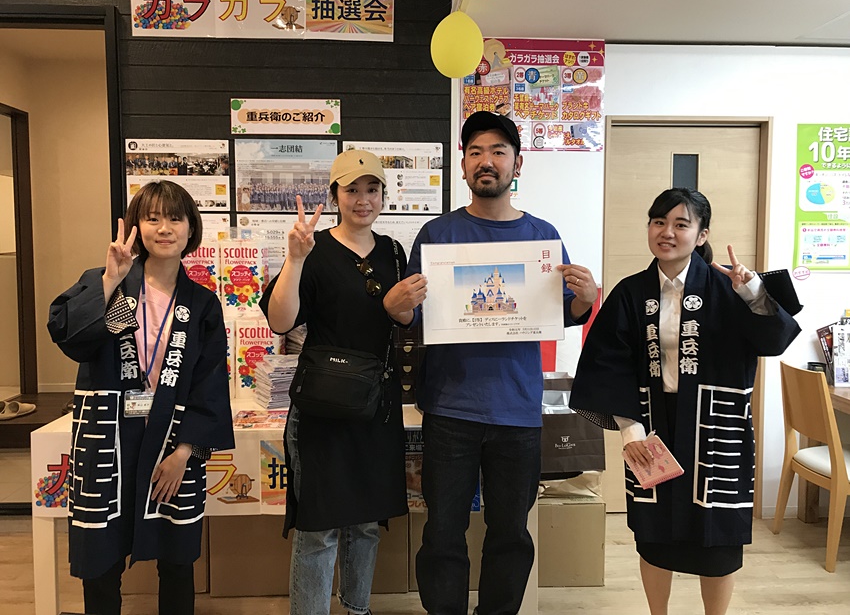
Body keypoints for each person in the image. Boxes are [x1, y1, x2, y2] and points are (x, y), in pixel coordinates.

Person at [398, 111, 597, 615]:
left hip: (517, 410)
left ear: (517, 164)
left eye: (498, 152)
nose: (486, 161)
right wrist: (398, 307)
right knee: (443, 531)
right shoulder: (437, 235)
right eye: (475, 152)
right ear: (464, 166)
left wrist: (586, 298)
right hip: (450, 408)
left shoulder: (542, 235)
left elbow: (564, 312)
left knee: (510, 533)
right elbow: (412, 316)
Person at [569, 188, 801, 615]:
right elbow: (608, 363)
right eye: (659, 222)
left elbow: (776, 340)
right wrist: (630, 430)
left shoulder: (729, 287)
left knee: (720, 537)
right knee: (654, 536)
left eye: (681, 224)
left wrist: (752, 292)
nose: (667, 233)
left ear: (701, 234)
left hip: (717, 424)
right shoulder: (630, 292)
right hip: (652, 424)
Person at [47, 180, 234, 615]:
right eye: (152, 218)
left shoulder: (201, 304)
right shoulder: (109, 282)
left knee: (177, 558)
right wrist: (109, 280)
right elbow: (70, 336)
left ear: (191, 229)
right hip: (109, 443)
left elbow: (209, 383)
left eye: (175, 218)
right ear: (136, 226)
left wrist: (185, 452)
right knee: (101, 560)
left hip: (172, 443)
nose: (164, 228)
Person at [259, 149, 426, 615]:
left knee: (366, 525)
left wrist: (398, 310)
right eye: (352, 189)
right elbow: (279, 321)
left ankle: (357, 609)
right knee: (319, 530)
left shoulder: (394, 253)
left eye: (372, 189)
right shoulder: (312, 249)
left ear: (384, 196)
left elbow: (407, 320)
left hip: (376, 407)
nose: (363, 199)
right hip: (323, 410)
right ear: (334, 195)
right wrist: (294, 260)